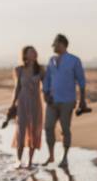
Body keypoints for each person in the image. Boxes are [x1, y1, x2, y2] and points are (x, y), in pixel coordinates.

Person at [42, 33, 87, 167]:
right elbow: (47, 79)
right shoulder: (51, 60)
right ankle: (51, 156)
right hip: (52, 100)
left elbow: (81, 81)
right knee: (48, 127)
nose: (52, 46)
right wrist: (45, 93)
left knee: (65, 129)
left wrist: (82, 100)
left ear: (62, 44)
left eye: (55, 43)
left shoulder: (74, 60)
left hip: (67, 100)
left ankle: (65, 157)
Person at [10, 45, 44, 168]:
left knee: (34, 131)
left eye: (35, 51)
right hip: (22, 102)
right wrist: (12, 104)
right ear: (25, 55)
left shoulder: (40, 69)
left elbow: (46, 85)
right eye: (31, 52)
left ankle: (30, 161)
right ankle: (18, 160)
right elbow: (17, 88)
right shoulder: (18, 69)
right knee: (21, 131)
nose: (34, 53)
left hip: (36, 103)